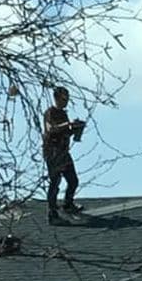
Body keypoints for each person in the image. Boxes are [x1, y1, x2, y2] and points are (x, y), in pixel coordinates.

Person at [42, 86, 85, 224]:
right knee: (55, 182)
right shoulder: (50, 112)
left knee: (73, 180)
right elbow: (52, 129)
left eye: (67, 99)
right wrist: (68, 124)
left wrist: (75, 129)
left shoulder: (63, 114)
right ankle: (52, 213)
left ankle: (68, 204)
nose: (66, 101)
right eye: (63, 98)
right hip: (52, 152)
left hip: (63, 151)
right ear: (56, 98)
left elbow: (65, 132)